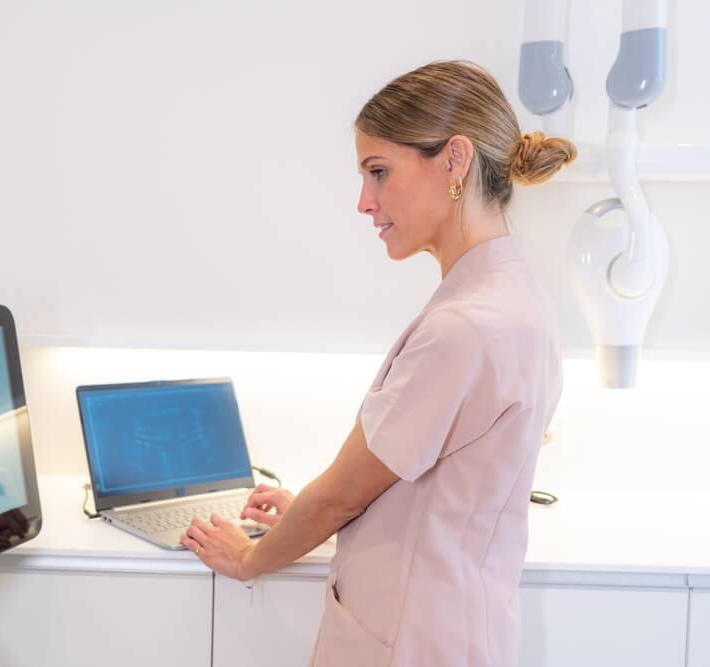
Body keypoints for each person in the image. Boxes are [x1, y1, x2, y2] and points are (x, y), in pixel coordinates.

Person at [179, 60, 575, 666]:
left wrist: (250, 556)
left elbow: (341, 494)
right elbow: (433, 486)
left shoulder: (464, 327)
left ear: (454, 160)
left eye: (379, 172)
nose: (365, 202)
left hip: (409, 639)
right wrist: (317, 522)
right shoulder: (518, 300)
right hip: (455, 624)